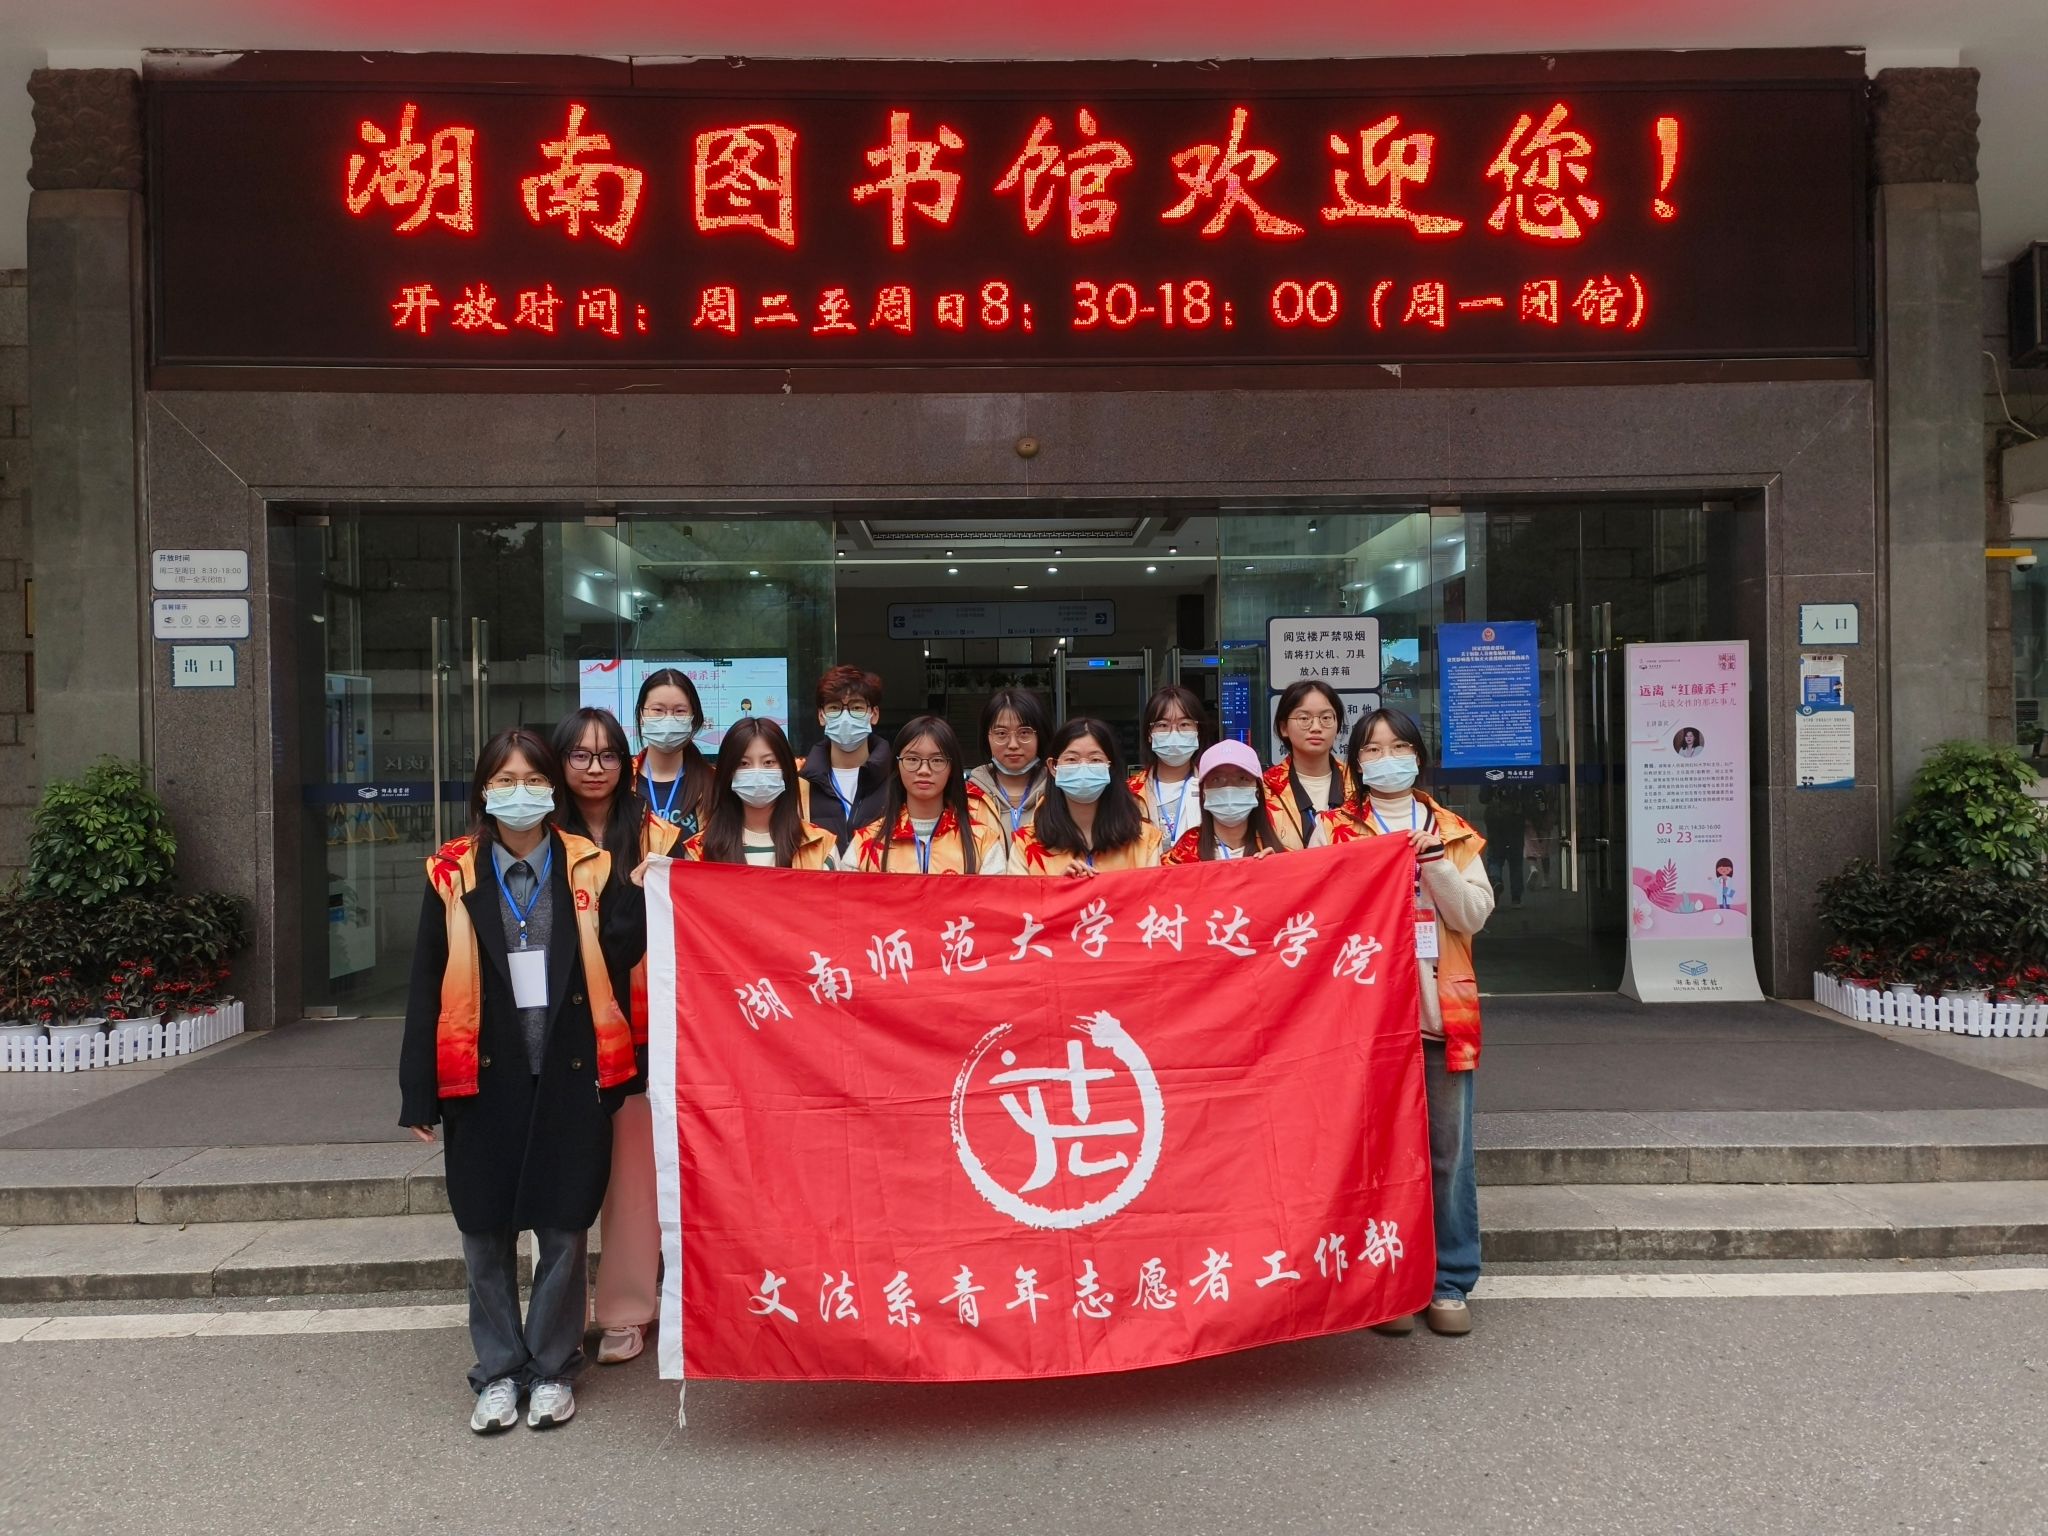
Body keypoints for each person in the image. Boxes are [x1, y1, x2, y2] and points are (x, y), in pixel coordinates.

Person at [398, 726, 647, 1434]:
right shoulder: (451, 874)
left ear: (553, 790)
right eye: (504, 781)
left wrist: (638, 896)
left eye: (533, 780)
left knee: (564, 1229)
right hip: (481, 1076)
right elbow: (424, 981)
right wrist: (418, 1088)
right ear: (483, 792)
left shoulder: (591, 866)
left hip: (571, 1073)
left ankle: (553, 1367)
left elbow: (621, 956)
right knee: (484, 1231)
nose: (520, 794)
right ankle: (499, 1370)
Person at [1318, 707, 1492, 1340]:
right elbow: (1316, 915)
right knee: (1375, 1156)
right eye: (1372, 749)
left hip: (1439, 1015)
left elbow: (1472, 915)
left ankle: (1449, 1281)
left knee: (1448, 1156)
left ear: (1419, 755)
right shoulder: (1332, 829)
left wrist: (1435, 863)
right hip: (1365, 1025)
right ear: (1356, 764)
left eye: (1398, 747)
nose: (1386, 758)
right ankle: (1386, 1283)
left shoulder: (1454, 830)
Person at [549, 707, 677, 1370]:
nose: (594, 768)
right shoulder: (538, 837)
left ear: (626, 764)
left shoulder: (662, 836)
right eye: (580, 755)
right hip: (562, 1031)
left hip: (642, 1032)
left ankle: (627, 1311)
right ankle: (558, 1317)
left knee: (632, 1182)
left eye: (607, 755)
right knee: (565, 1181)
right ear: (559, 763)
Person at [846, 716, 1008, 874]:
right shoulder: (866, 842)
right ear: (897, 766)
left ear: (952, 768)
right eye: (912, 759)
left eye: (937, 760)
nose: (924, 770)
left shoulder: (982, 841)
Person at [1012, 718, 1165, 876]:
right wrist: (1059, 886)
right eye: (1071, 759)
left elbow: (1153, 891)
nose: (1083, 767)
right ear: (1053, 767)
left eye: (1095, 760)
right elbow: (1016, 892)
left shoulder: (1144, 839)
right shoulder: (1026, 844)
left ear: (1110, 767)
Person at [683, 717, 841, 869]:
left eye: (768, 762)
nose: (757, 772)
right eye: (744, 763)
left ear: (786, 769)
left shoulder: (821, 847)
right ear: (728, 772)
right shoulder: (700, 851)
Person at [798, 664, 893, 850]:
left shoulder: (898, 778)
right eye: (834, 708)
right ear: (821, 716)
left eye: (856, 707)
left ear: (874, 714)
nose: (845, 717)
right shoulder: (801, 782)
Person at [1162, 740, 1300, 863]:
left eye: (1242, 778)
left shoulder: (1280, 857)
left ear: (1257, 790)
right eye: (1217, 779)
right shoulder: (1180, 858)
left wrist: (1278, 872)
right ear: (1203, 792)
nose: (1229, 788)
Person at [1265, 680, 1356, 849]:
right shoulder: (1264, 788)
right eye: (1304, 718)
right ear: (1284, 727)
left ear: (1337, 726)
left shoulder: (1360, 783)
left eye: (1326, 718)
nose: (1316, 727)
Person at [632, 668, 714, 839]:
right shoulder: (621, 780)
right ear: (641, 715)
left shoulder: (714, 783)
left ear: (693, 717)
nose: (668, 719)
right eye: (658, 710)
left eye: (680, 711)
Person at [1129, 684, 1214, 848]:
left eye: (1184, 724)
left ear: (1198, 731)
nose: (1174, 733)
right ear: (1149, 734)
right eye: (1163, 725)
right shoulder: (1130, 794)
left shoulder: (1215, 787)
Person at [965, 686, 1050, 842]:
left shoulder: (1059, 794)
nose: (1013, 744)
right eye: (1001, 734)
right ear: (986, 737)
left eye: (1024, 732)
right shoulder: (966, 798)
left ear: (1041, 735)